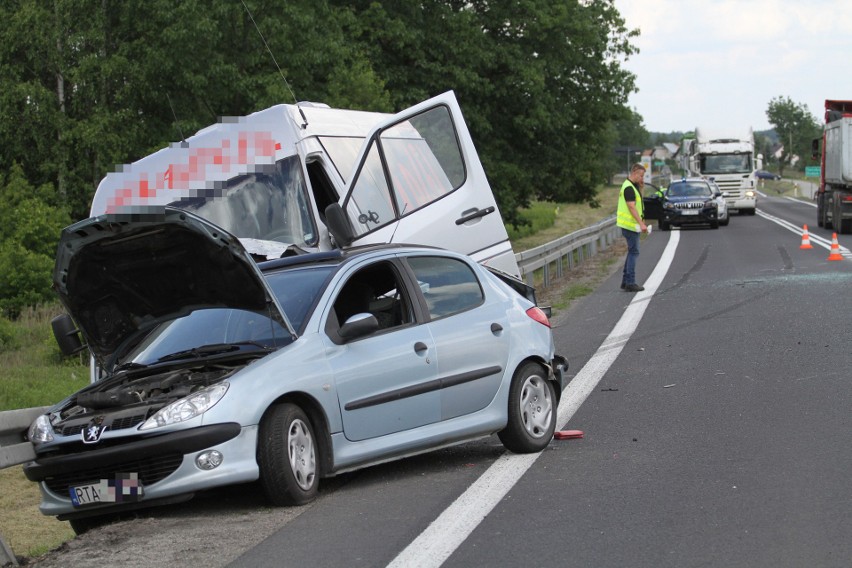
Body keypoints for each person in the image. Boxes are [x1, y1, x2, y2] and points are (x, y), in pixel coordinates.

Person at [617, 163, 649, 292]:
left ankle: (625, 282)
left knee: (632, 252)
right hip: (630, 226)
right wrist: (641, 224)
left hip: (629, 225)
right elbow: (631, 207)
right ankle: (630, 282)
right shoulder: (629, 188)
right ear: (634, 173)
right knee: (634, 252)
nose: (642, 178)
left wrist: (641, 186)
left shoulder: (632, 186)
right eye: (641, 176)